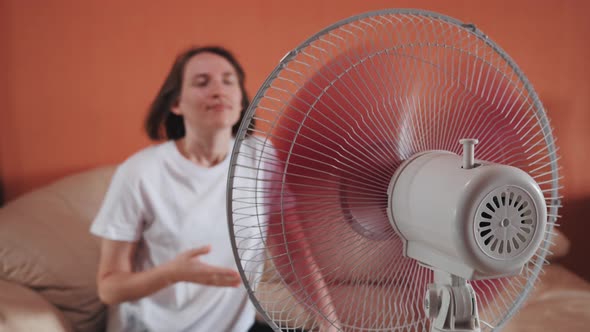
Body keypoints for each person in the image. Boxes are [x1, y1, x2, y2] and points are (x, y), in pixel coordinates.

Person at [90, 46, 263, 332]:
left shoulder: (263, 159)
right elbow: (109, 289)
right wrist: (171, 274)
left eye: (229, 81)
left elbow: (298, 249)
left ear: (241, 99)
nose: (218, 90)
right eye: (202, 82)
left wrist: (327, 322)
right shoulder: (140, 173)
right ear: (176, 103)